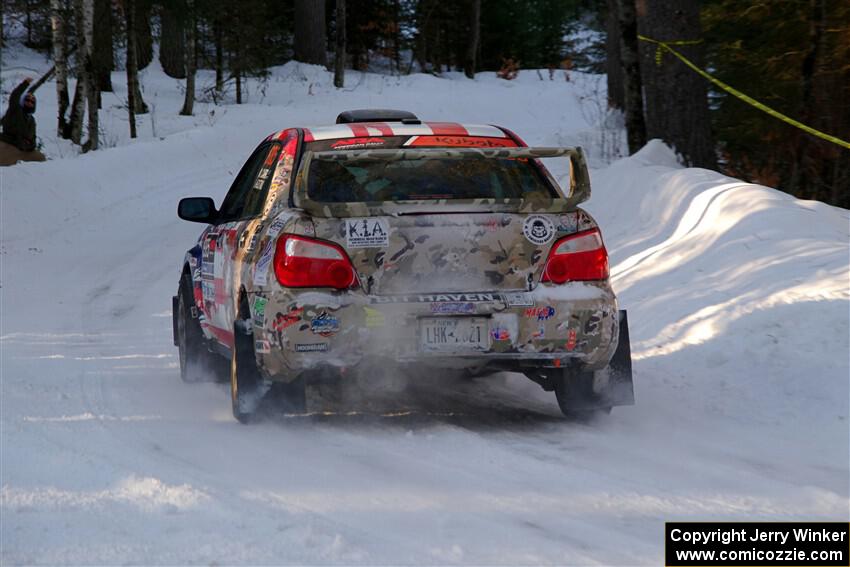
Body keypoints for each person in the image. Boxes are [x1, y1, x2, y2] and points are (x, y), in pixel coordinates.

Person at [0, 78, 45, 165]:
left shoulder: (32, 120)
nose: (29, 102)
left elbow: (33, 139)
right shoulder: (15, 111)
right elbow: (14, 96)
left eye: (32, 101)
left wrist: (29, 145)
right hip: (8, 144)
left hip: (23, 150)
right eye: (27, 100)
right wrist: (25, 84)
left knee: (41, 158)